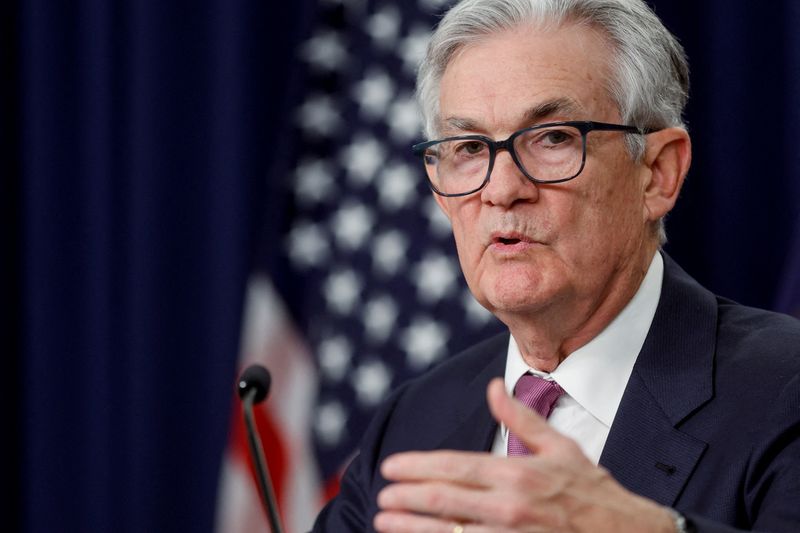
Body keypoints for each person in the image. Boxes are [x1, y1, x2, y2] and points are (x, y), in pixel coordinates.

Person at [311, 0, 800, 531]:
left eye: (553, 138)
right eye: (471, 147)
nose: (501, 190)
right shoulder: (413, 423)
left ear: (657, 173)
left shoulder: (783, 390)